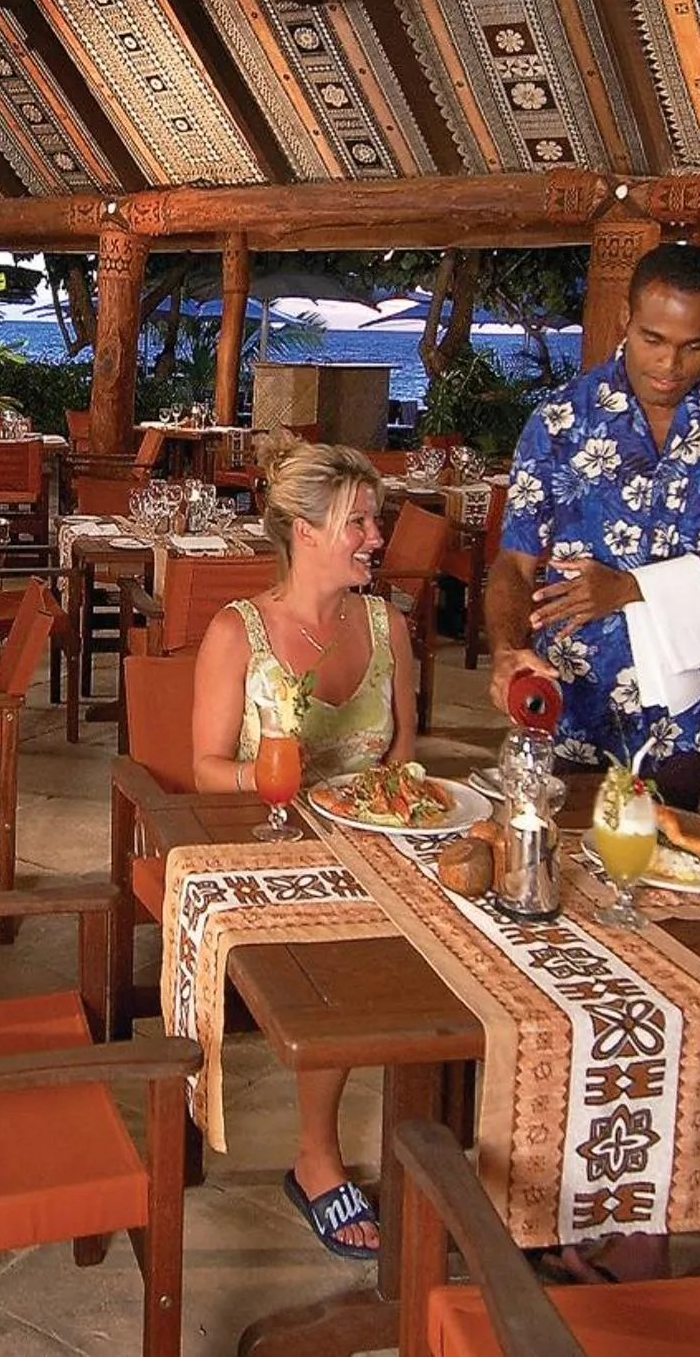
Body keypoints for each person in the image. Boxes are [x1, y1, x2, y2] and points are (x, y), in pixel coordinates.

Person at [188, 443, 417, 1261]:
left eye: (375, 521)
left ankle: (449, 1148)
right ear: (304, 529)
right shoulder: (236, 632)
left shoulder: (388, 625)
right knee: (354, 945)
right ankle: (316, 1156)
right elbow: (205, 767)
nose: (375, 537)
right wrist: (271, 775)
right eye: (358, 521)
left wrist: (389, 813)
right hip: (270, 843)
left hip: (379, 845)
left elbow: (400, 761)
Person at [483, 245, 700, 805]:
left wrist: (628, 588)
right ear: (626, 319)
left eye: (693, 346)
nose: (670, 365)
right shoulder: (561, 418)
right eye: (654, 340)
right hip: (570, 696)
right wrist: (506, 648)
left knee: (689, 868)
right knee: (566, 865)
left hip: (692, 700)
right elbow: (514, 562)